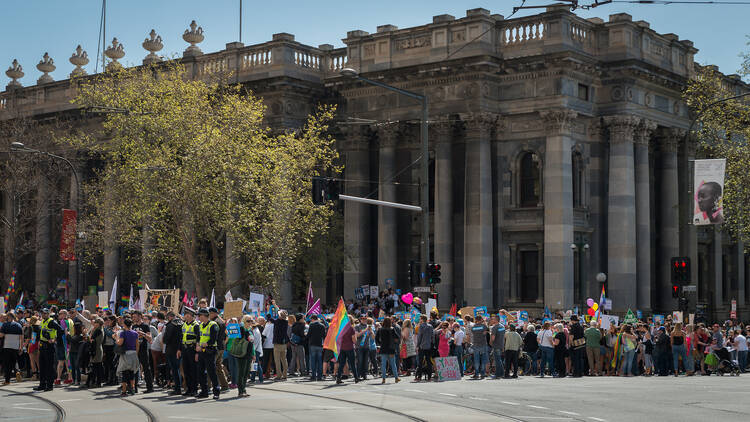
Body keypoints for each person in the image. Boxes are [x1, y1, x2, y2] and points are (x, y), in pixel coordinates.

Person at [196, 308, 221, 399]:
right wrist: (198, 345)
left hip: (210, 351)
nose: (199, 317)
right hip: (202, 351)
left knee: (211, 372)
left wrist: (202, 345)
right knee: (200, 372)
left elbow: (213, 339)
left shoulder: (213, 325)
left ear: (204, 315)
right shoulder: (200, 325)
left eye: (200, 315)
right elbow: (199, 337)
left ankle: (216, 391)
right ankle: (204, 391)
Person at [35, 309, 61, 391]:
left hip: (49, 346)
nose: (43, 314)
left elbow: (61, 330)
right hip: (42, 345)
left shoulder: (51, 321)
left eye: (45, 313)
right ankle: (42, 384)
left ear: (48, 314)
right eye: (42, 313)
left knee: (49, 367)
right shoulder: (43, 321)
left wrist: (54, 339)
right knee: (42, 366)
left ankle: (49, 386)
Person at [115, 318, 140, 396]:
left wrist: (116, 337)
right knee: (132, 372)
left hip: (126, 353)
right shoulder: (135, 333)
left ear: (124, 325)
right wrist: (136, 353)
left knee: (125, 373)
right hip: (133, 353)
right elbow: (137, 345)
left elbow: (120, 343)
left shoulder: (123, 333)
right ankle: (132, 389)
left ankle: (124, 391)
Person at [132, 311, 154, 393]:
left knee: (146, 368)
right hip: (135, 350)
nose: (133, 318)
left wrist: (143, 334)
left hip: (143, 349)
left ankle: (150, 387)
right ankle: (134, 387)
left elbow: (150, 338)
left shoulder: (145, 326)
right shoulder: (133, 326)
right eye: (133, 317)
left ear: (140, 316)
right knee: (134, 369)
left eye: (135, 316)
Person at [179, 308, 199, 396]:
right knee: (186, 370)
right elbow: (181, 338)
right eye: (185, 314)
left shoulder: (196, 325)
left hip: (192, 349)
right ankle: (188, 389)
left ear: (191, 315)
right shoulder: (184, 325)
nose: (185, 316)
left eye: (187, 314)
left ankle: (194, 389)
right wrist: (179, 349)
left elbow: (198, 339)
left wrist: (197, 352)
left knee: (193, 370)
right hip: (185, 349)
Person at [208, 308, 229, 391]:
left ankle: (208, 386)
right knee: (218, 367)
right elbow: (226, 335)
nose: (208, 316)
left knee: (210, 366)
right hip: (221, 347)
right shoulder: (221, 322)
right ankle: (224, 385)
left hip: (215, 347)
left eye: (209, 314)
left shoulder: (214, 322)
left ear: (212, 313)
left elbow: (214, 336)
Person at [163, 311, 184, 394]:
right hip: (180, 349)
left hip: (171, 349)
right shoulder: (182, 323)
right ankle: (182, 387)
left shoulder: (170, 325)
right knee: (179, 369)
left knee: (175, 369)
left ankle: (177, 388)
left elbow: (165, 339)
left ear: (169, 317)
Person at [1, 312, 24, 385]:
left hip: (7, 346)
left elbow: (1, 335)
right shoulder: (19, 325)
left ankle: (7, 381)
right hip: (16, 346)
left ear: (9, 317)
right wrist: (21, 347)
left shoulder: (5, 325)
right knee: (14, 362)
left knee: (7, 364)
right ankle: (17, 372)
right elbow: (21, 337)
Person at [235, 315, 255, 397]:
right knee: (241, 372)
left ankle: (244, 389)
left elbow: (252, 344)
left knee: (246, 372)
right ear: (244, 321)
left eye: (251, 321)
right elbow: (237, 339)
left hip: (249, 354)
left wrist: (253, 354)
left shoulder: (250, 330)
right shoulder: (241, 329)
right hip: (242, 354)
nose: (250, 322)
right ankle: (240, 391)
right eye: (248, 321)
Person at [376, 317, 400, 384]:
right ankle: (396, 378)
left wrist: (380, 343)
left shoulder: (380, 329)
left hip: (383, 348)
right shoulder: (392, 329)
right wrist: (394, 342)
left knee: (383, 364)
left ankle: (383, 379)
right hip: (391, 348)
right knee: (393, 364)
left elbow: (376, 338)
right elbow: (397, 337)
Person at [335, 316, 358, 384]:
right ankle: (356, 378)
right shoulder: (351, 328)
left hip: (342, 348)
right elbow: (354, 340)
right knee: (352, 364)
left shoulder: (341, 328)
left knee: (341, 364)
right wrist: (355, 339)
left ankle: (338, 378)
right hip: (349, 348)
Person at [307, 314, 326, 381]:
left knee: (313, 361)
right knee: (319, 361)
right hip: (320, 345)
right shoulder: (322, 325)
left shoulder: (311, 325)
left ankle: (313, 376)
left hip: (313, 344)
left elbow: (308, 335)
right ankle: (319, 376)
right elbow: (324, 336)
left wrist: (306, 336)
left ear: (312, 319)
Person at [415, 315, 434, 381]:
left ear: (422, 319)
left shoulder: (421, 326)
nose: (420, 320)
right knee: (428, 361)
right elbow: (432, 336)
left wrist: (417, 345)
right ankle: (429, 377)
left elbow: (419, 337)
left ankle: (419, 376)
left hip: (422, 346)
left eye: (420, 319)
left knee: (420, 362)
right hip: (428, 346)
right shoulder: (430, 326)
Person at [87, 318, 105, 388]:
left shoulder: (98, 330)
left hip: (96, 350)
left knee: (96, 367)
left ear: (98, 324)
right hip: (98, 349)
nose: (94, 324)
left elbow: (91, 339)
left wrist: (91, 333)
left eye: (95, 323)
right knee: (98, 366)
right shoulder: (101, 329)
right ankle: (97, 382)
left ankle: (96, 382)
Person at [272, 310, 289, 381]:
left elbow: (270, 317)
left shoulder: (277, 322)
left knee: (277, 360)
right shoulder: (286, 322)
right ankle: (285, 375)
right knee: (284, 360)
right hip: (283, 343)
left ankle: (279, 375)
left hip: (277, 343)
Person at [289, 313, 307, 377]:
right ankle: (303, 372)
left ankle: (291, 371)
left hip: (293, 343)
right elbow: (302, 334)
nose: (304, 319)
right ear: (300, 319)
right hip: (299, 343)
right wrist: (305, 336)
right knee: (301, 358)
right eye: (303, 318)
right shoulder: (302, 325)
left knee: (293, 357)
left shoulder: (294, 324)